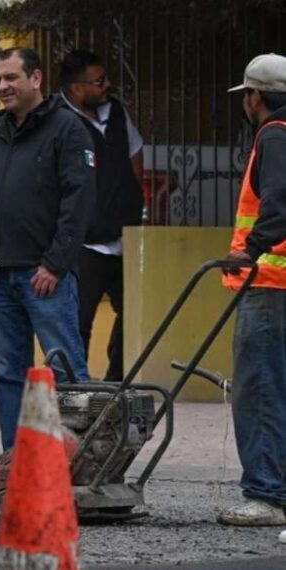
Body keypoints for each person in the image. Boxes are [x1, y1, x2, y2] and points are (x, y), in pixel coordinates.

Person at [0, 47, 96, 451]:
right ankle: (15, 463)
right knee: (8, 374)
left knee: (65, 372)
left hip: (44, 277)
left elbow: (79, 200)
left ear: (35, 78)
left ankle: (76, 464)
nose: (2, 86)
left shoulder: (67, 128)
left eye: (11, 78)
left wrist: (55, 264)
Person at [218, 53, 286, 526]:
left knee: (259, 387)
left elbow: (279, 204)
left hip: (270, 284)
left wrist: (251, 249)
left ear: (254, 96)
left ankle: (265, 494)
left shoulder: (274, 135)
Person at [59, 49, 144, 384]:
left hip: (124, 236)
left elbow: (135, 154)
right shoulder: (58, 120)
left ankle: (115, 381)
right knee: (79, 320)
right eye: (99, 81)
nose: (107, 85)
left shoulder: (116, 112)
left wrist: (130, 199)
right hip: (84, 243)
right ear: (77, 88)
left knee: (132, 314)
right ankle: (77, 388)